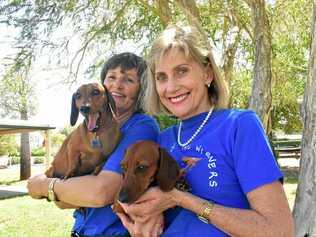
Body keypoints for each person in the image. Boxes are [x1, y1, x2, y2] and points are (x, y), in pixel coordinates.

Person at [116, 25, 295, 237]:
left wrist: (181, 199)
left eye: (181, 71)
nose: (171, 87)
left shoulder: (238, 126)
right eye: (161, 77)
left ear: (207, 74)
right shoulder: (160, 142)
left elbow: (279, 231)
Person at [27, 52, 160, 237]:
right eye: (111, 77)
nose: (117, 85)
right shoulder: (92, 130)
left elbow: (99, 193)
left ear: (141, 90)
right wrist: (65, 191)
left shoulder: (141, 127)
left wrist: (44, 186)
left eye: (128, 80)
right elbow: (64, 201)